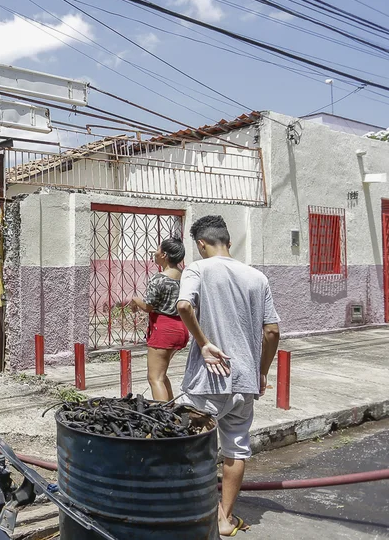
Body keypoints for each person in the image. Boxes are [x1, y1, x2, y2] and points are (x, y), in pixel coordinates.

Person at [176, 215, 280, 537]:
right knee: (236, 448)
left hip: (206, 380)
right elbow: (273, 331)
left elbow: (183, 306)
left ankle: (189, 511)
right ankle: (224, 518)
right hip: (245, 381)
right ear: (229, 242)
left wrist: (204, 344)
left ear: (201, 244)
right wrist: (261, 372)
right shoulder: (257, 277)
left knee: (189, 445)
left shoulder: (197, 268)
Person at [129, 237, 189, 402]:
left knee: (154, 378)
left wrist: (134, 299)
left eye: (157, 250)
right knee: (162, 375)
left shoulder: (159, 278)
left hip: (163, 329)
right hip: (181, 327)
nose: (154, 253)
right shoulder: (185, 277)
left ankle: (163, 420)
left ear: (164, 255)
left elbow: (148, 306)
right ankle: (171, 410)